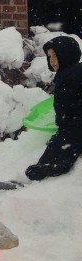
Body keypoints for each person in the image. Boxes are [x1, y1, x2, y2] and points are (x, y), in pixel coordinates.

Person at [25, 35, 82, 181]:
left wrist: (62, 125)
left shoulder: (69, 76)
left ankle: (49, 166)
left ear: (67, 54)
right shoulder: (75, 71)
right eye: (49, 56)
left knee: (67, 137)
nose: (52, 60)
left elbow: (67, 112)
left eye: (56, 55)